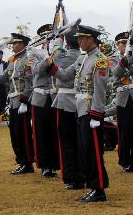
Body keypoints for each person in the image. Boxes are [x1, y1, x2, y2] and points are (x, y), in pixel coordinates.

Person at [47, 25, 111, 202]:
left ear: (91, 39)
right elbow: (66, 76)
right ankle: (93, 186)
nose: (80, 41)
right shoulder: (83, 59)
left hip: (91, 110)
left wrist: (97, 114)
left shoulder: (100, 60)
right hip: (81, 108)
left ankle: (98, 188)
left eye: (82, 38)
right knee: (85, 150)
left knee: (94, 151)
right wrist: (51, 66)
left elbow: (100, 90)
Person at [49, 31, 84, 190]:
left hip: (64, 102)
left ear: (67, 44)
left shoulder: (62, 58)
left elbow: (55, 51)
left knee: (67, 143)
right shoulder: (84, 57)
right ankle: (82, 175)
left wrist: (58, 36)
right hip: (81, 102)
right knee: (81, 142)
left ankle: (71, 177)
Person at [0, 32, 35, 174]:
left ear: (22, 44)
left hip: (22, 101)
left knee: (23, 133)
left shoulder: (28, 60)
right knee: (14, 133)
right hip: (13, 101)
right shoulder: (12, 61)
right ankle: (21, 160)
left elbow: (30, 83)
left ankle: (27, 162)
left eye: (15, 43)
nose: (12, 46)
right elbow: (3, 78)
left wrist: (25, 101)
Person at [28, 24, 60, 178]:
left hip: (54, 97)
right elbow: (37, 70)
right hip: (40, 97)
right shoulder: (33, 54)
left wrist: (52, 55)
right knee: (40, 132)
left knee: (55, 132)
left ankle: (55, 163)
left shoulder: (58, 52)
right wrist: (46, 57)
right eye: (45, 39)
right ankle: (45, 165)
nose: (47, 42)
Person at [112, 31, 133, 173]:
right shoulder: (113, 59)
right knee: (124, 131)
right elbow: (116, 73)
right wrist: (124, 59)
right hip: (123, 97)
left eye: (127, 43)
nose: (124, 46)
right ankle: (125, 161)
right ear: (117, 45)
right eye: (122, 43)